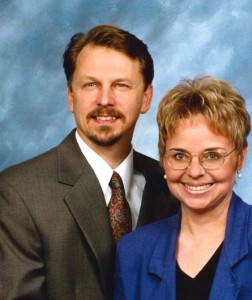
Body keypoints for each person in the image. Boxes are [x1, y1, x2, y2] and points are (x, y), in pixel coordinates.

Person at [0, 24, 179, 300]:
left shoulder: (173, 185)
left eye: (120, 85)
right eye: (90, 84)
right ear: (71, 97)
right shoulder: (18, 193)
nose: (104, 100)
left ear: (146, 98)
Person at [114, 75, 252, 299]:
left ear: (240, 158)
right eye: (180, 155)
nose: (194, 171)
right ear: (163, 158)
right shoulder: (133, 251)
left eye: (212, 156)